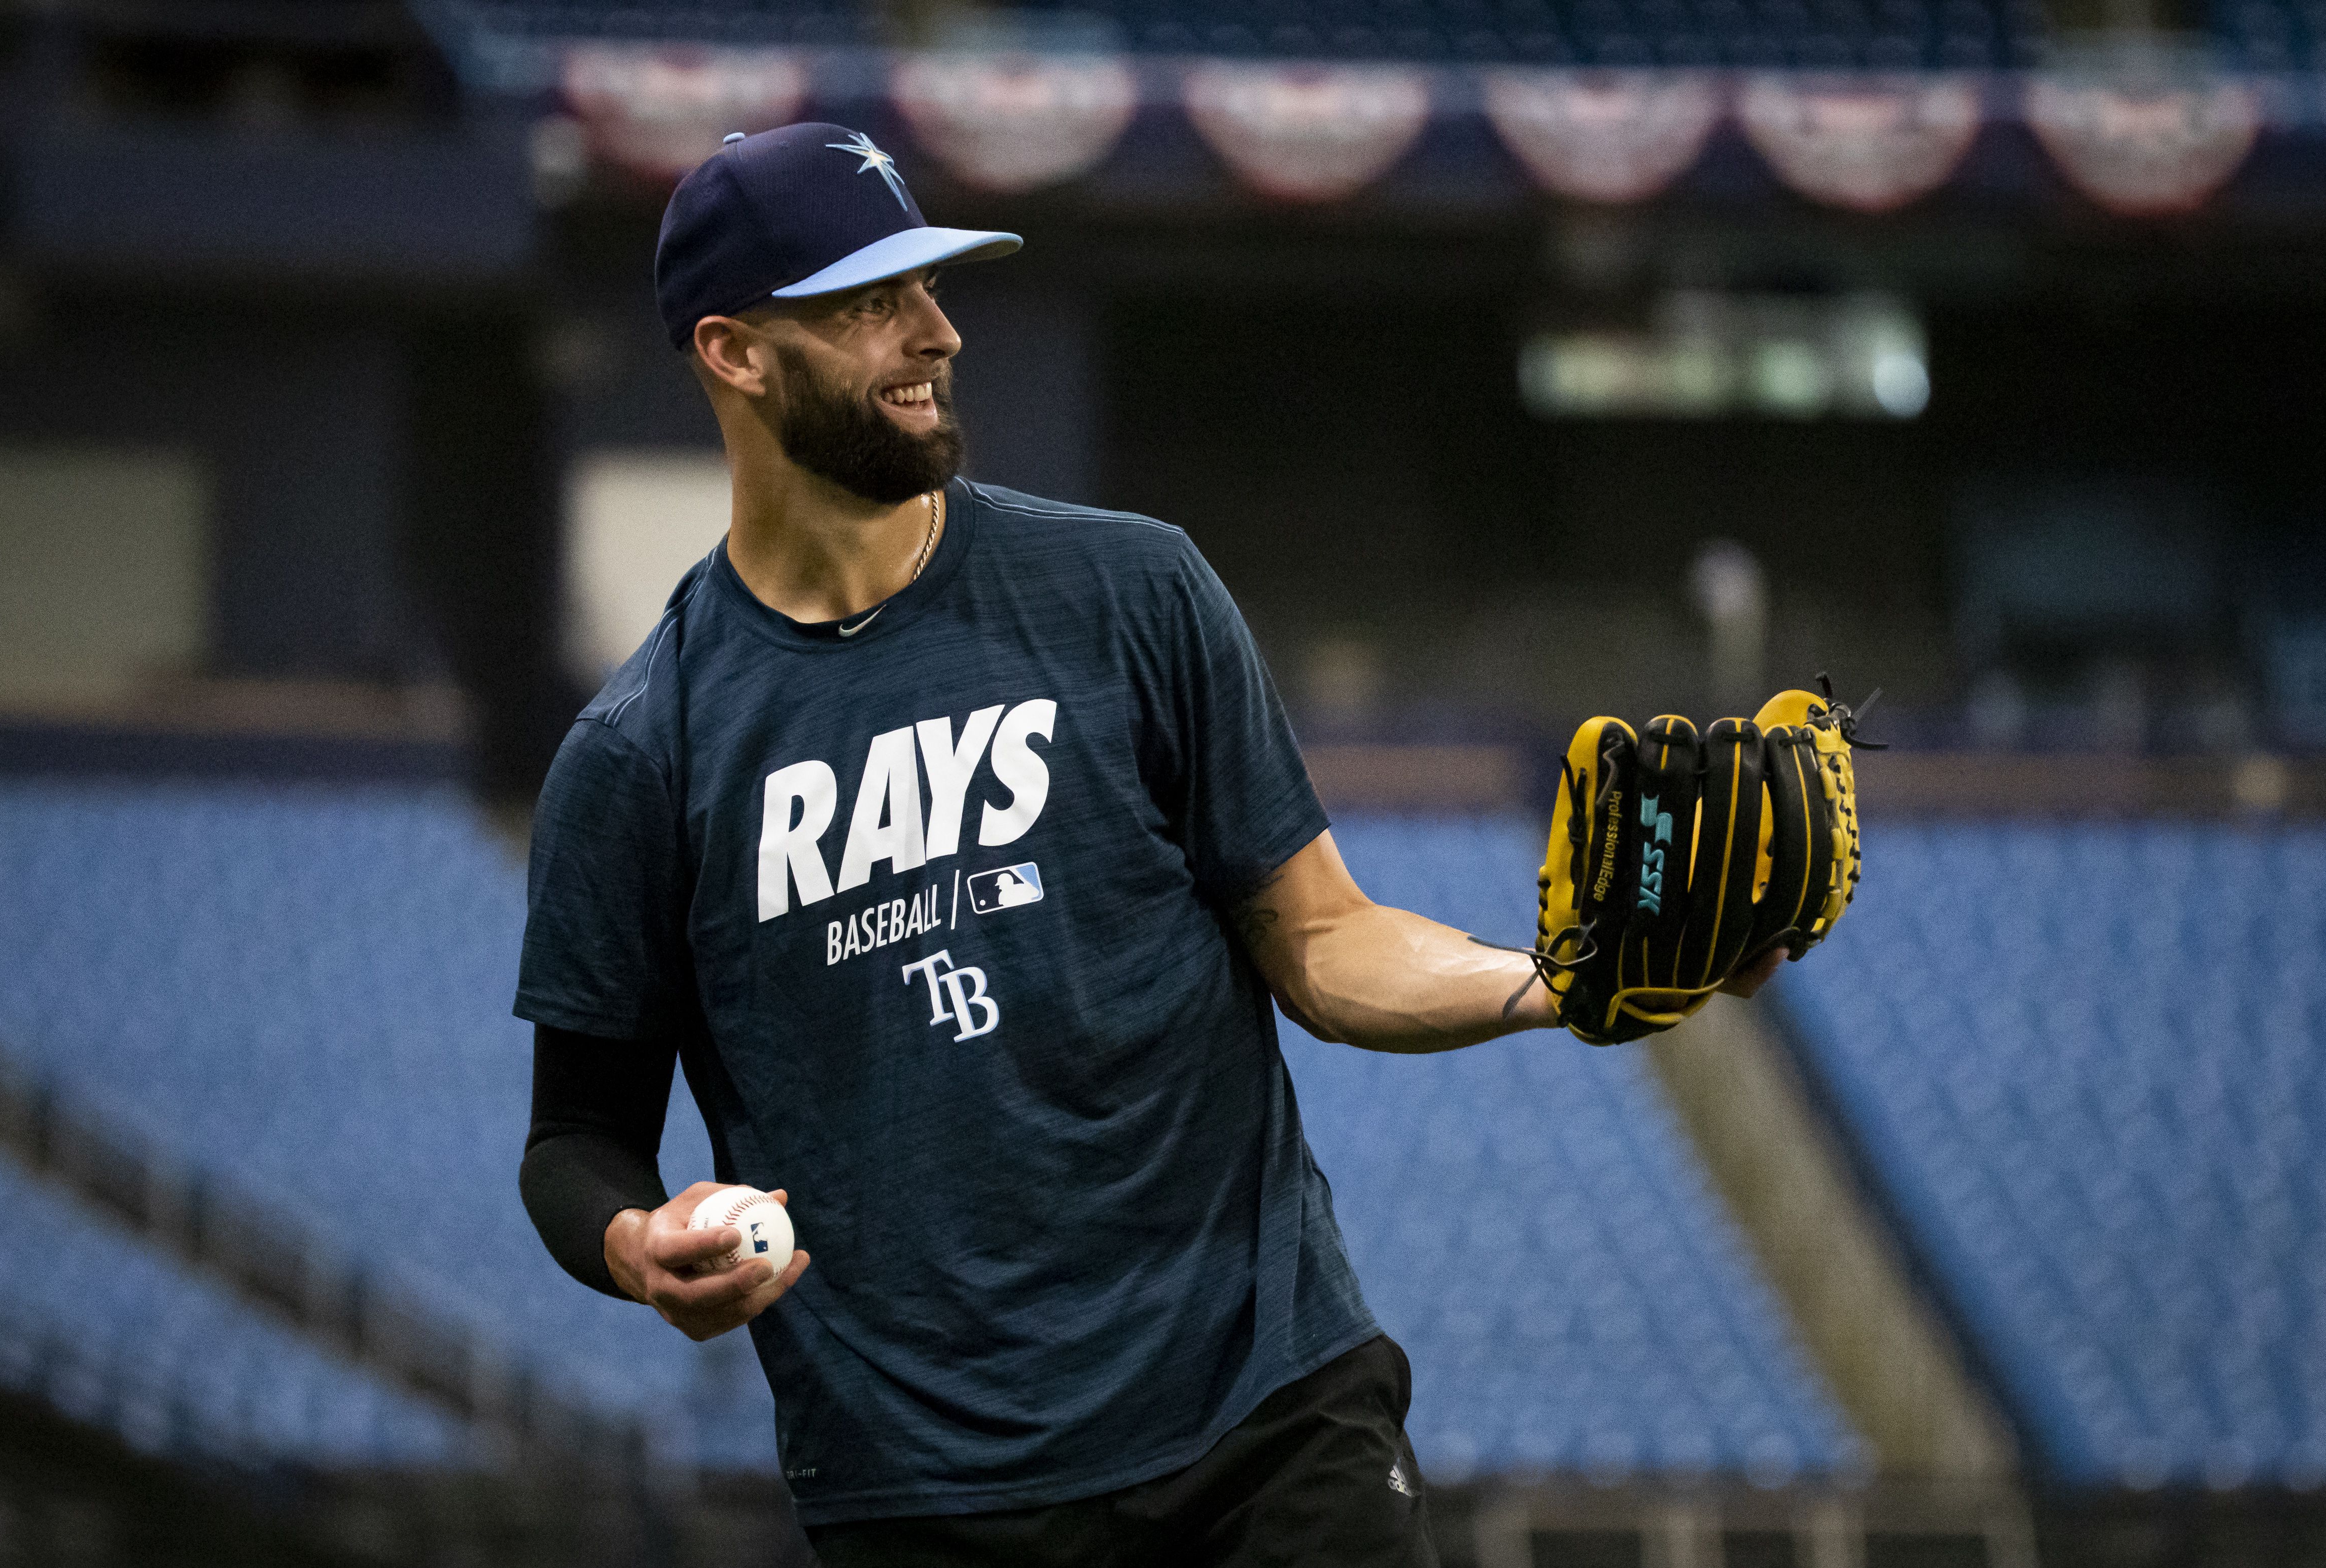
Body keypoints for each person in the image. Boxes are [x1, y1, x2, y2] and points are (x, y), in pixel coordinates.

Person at [514, 121, 1782, 1566]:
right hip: (934, 1491)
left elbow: (1321, 936)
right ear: (735, 352)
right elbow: (576, 1137)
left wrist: (1556, 980)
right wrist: (636, 1247)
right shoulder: (643, 752)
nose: (938, 332)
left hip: (1268, 1411)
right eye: (873, 304)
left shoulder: (1131, 589)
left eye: (930, 288)